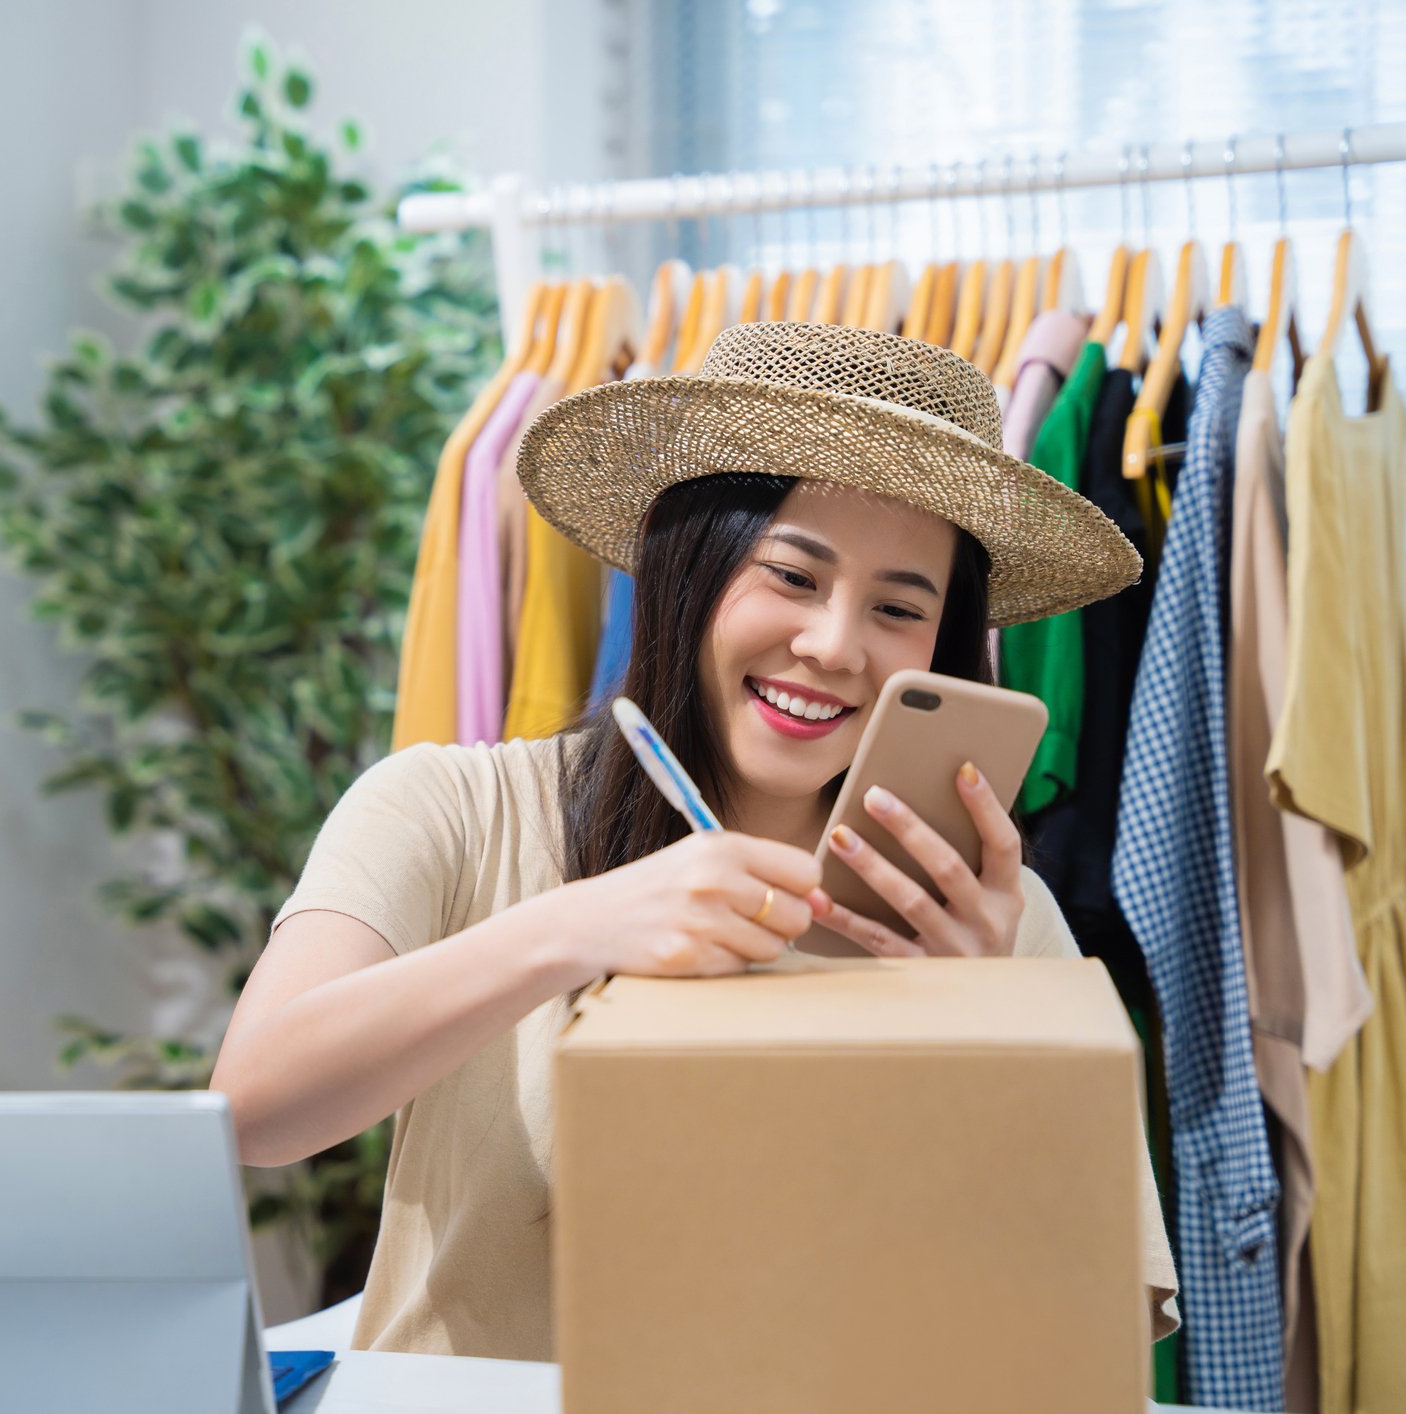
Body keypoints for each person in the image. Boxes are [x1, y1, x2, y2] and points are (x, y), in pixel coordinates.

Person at [211, 321, 1178, 1362]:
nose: (834, 646)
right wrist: (579, 927)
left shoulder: (986, 913)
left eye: (899, 607)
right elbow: (250, 1112)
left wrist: (986, 1051)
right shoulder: (456, 809)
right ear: (686, 569)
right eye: (792, 576)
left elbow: (1091, 1337)